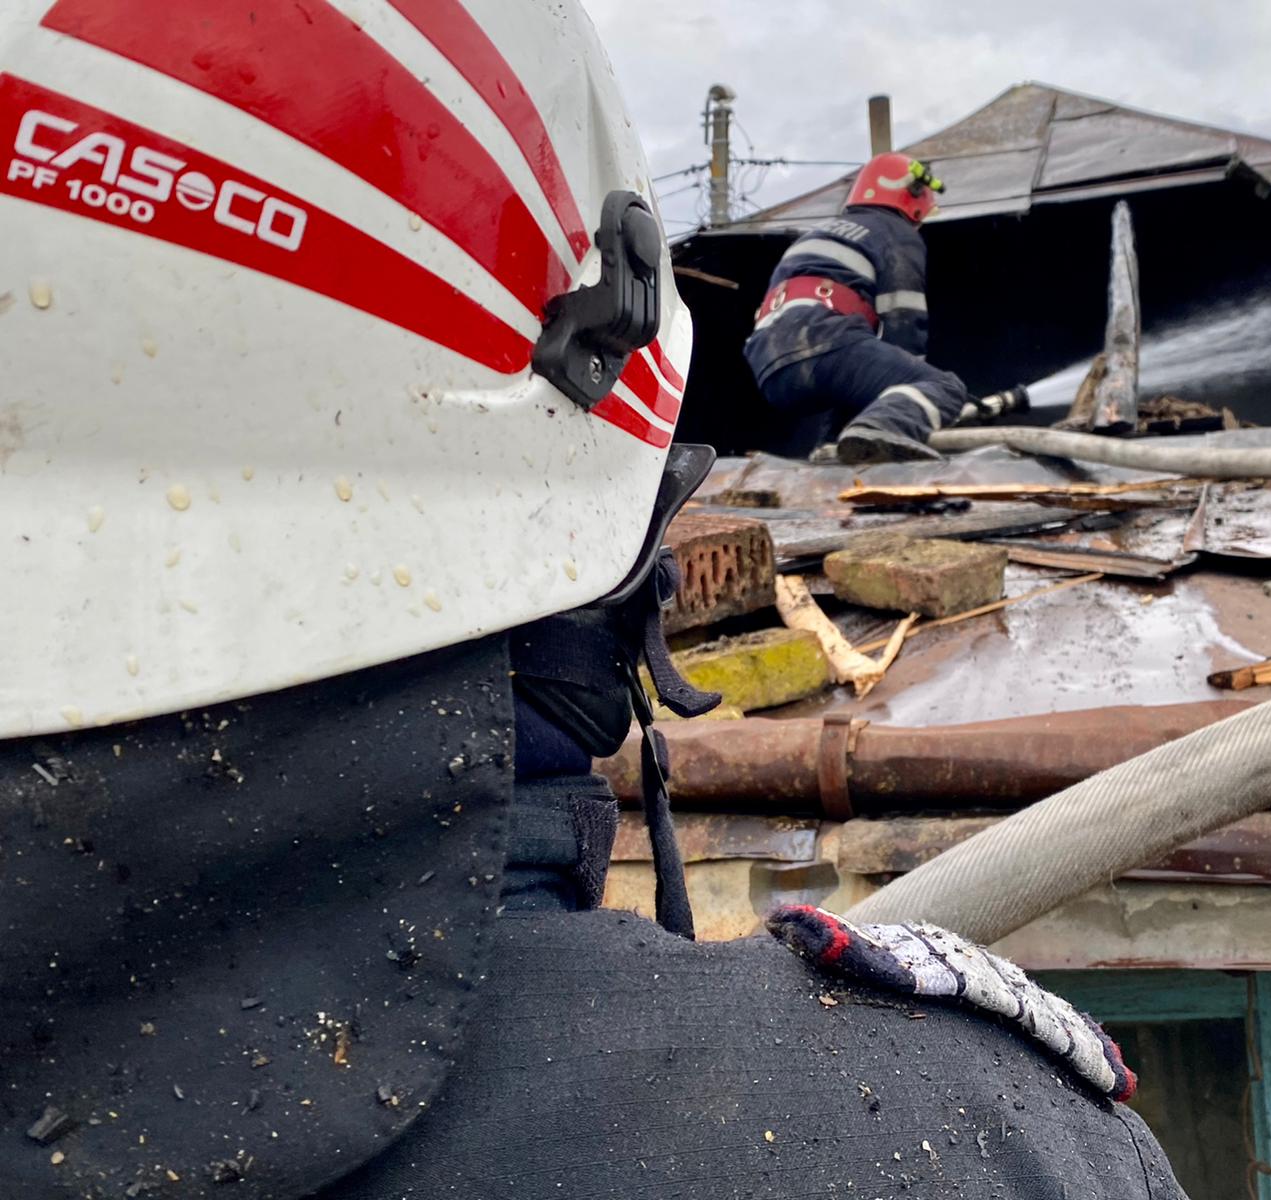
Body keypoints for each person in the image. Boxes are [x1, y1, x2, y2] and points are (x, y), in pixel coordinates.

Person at [0, 4, 1181, 1197]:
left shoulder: (825, 232)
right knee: (923, 385)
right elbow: (907, 330)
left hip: (778, 363)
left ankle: (845, 452)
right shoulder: (989, 1138)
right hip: (825, 365)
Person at [743, 153, 1027, 464]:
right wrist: (921, 395)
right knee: (943, 386)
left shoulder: (814, 234)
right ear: (912, 198)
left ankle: (831, 454)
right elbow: (904, 323)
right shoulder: (894, 231)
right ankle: (881, 431)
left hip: (769, 365)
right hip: (823, 341)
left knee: (866, 399)